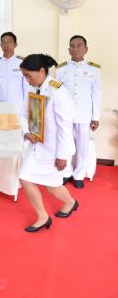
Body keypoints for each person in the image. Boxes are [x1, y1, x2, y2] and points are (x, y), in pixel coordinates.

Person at [19, 54, 78, 233]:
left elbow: (65, 128)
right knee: (25, 177)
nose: (27, 80)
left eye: (29, 75)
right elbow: (22, 114)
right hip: (37, 145)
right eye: (24, 76)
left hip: (54, 149)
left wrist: (62, 156)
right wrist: (27, 132)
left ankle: (70, 202)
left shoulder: (58, 92)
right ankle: (43, 216)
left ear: (42, 71)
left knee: (51, 187)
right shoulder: (35, 88)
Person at [55, 35, 102, 189]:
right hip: (65, 114)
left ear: (86, 49)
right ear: (68, 49)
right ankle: (66, 172)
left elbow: (96, 94)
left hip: (84, 113)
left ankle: (79, 174)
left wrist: (96, 117)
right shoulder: (61, 69)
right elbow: (56, 92)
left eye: (79, 46)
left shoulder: (93, 69)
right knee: (66, 144)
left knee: (82, 146)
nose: (75, 49)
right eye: (72, 46)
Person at [0, 32, 29, 121]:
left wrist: (27, 108)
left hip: (18, 107)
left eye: (9, 42)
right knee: (0, 133)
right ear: (0, 45)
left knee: (17, 133)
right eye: (4, 42)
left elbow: (26, 88)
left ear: (15, 44)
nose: (6, 45)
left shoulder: (22, 62)